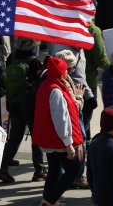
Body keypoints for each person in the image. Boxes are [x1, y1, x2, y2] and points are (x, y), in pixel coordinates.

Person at [32, 56, 84, 206]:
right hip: (59, 141)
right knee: (73, 171)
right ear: (62, 73)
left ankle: (46, 199)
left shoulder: (45, 86)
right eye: (66, 71)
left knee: (54, 171)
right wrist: (68, 144)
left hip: (49, 140)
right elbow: (61, 119)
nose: (67, 73)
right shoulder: (56, 91)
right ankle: (50, 200)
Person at [0, 37, 45, 183]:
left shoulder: (13, 57)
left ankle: (2, 168)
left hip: (14, 103)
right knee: (36, 137)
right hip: (30, 105)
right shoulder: (35, 61)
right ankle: (39, 171)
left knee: (14, 137)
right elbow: (39, 84)